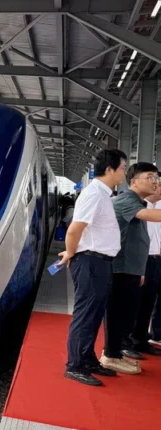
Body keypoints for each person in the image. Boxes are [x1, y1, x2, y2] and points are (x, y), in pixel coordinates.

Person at [57, 149, 126, 386]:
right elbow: (75, 229)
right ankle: (74, 365)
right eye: (123, 169)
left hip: (100, 262)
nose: (124, 173)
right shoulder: (94, 194)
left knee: (95, 315)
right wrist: (72, 253)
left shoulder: (103, 194)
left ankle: (87, 360)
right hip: (90, 261)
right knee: (86, 315)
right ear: (109, 170)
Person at [108, 162, 161, 365]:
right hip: (121, 267)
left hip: (133, 267)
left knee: (129, 311)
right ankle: (112, 353)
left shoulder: (138, 202)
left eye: (156, 178)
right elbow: (149, 216)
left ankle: (116, 352)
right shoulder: (127, 201)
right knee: (119, 313)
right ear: (134, 180)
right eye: (150, 177)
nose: (155, 182)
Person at [129, 183, 161, 356]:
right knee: (137, 303)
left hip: (157, 259)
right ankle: (130, 341)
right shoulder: (140, 208)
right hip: (143, 260)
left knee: (149, 302)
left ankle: (142, 339)